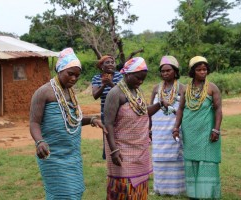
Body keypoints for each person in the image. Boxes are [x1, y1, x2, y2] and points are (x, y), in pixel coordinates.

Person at [29, 47, 105, 199]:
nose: (74, 79)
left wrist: (91, 119)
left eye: (77, 75)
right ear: (59, 70)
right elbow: (34, 122)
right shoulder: (44, 92)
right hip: (52, 154)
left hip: (72, 154)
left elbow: (72, 119)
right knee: (63, 194)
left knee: (75, 192)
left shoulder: (69, 93)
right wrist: (39, 142)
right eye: (70, 74)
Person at [104, 57, 169, 200]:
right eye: (138, 78)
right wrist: (114, 150)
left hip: (139, 150)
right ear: (127, 74)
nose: (140, 82)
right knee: (123, 188)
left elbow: (143, 111)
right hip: (121, 151)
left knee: (139, 189)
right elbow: (107, 123)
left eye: (143, 79)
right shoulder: (115, 93)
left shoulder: (137, 91)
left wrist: (159, 105)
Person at [172, 56, 222, 199]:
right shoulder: (186, 89)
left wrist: (216, 129)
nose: (202, 72)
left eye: (204, 69)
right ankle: (194, 195)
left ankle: (207, 195)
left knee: (207, 161)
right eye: (199, 69)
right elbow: (180, 109)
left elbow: (218, 109)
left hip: (207, 132)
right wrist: (176, 127)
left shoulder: (212, 88)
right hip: (190, 132)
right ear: (192, 71)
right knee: (192, 162)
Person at [150, 56, 185, 195]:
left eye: (168, 70)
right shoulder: (155, 88)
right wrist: (149, 128)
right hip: (158, 130)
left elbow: (184, 110)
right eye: (162, 71)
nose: (165, 73)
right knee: (159, 158)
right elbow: (151, 108)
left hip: (175, 128)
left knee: (176, 158)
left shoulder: (182, 88)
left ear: (175, 71)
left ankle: (177, 190)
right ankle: (160, 189)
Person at [92, 55, 123, 159]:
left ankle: (123, 154)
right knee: (108, 134)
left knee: (121, 134)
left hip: (120, 111)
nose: (111, 64)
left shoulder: (119, 76)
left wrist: (110, 83)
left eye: (112, 62)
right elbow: (95, 95)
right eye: (107, 62)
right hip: (105, 112)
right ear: (101, 65)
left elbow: (123, 94)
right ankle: (110, 158)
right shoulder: (96, 78)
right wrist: (104, 85)